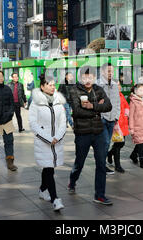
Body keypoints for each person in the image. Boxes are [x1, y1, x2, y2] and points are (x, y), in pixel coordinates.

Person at [67, 67, 113, 205]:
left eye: (91, 77)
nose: (88, 80)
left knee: (101, 163)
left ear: (94, 78)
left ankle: (99, 195)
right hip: (83, 133)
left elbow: (108, 106)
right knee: (79, 163)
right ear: (81, 78)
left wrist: (91, 106)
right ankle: (72, 181)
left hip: (99, 131)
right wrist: (97, 109)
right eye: (85, 77)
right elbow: (77, 111)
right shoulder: (74, 90)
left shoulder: (98, 89)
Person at [29, 74, 67, 211]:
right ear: (42, 86)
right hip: (43, 142)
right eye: (49, 84)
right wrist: (48, 138)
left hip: (57, 141)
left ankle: (42, 189)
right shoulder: (35, 103)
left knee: (48, 167)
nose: (53, 87)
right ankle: (55, 199)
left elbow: (63, 121)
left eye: (53, 84)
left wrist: (58, 136)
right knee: (49, 169)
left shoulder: (58, 101)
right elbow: (33, 124)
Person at [98, 63, 121, 176]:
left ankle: (102, 164)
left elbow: (117, 102)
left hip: (112, 118)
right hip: (102, 118)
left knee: (107, 144)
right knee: (105, 142)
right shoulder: (97, 84)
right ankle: (102, 166)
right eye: (108, 71)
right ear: (102, 72)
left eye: (112, 71)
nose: (110, 73)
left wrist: (117, 116)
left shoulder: (115, 85)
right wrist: (100, 115)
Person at [107, 81, 130, 173]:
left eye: (119, 85)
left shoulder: (121, 95)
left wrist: (127, 112)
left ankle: (109, 154)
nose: (119, 86)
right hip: (116, 124)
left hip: (123, 123)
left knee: (121, 144)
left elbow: (126, 106)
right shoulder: (111, 97)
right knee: (117, 145)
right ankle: (117, 165)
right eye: (117, 85)